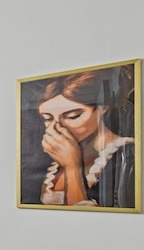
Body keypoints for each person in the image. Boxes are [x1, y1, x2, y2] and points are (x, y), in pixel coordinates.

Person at [37, 65, 136, 207]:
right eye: (47, 118)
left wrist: (72, 166)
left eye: (73, 116)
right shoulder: (53, 161)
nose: (56, 128)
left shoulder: (128, 155)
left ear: (103, 108)